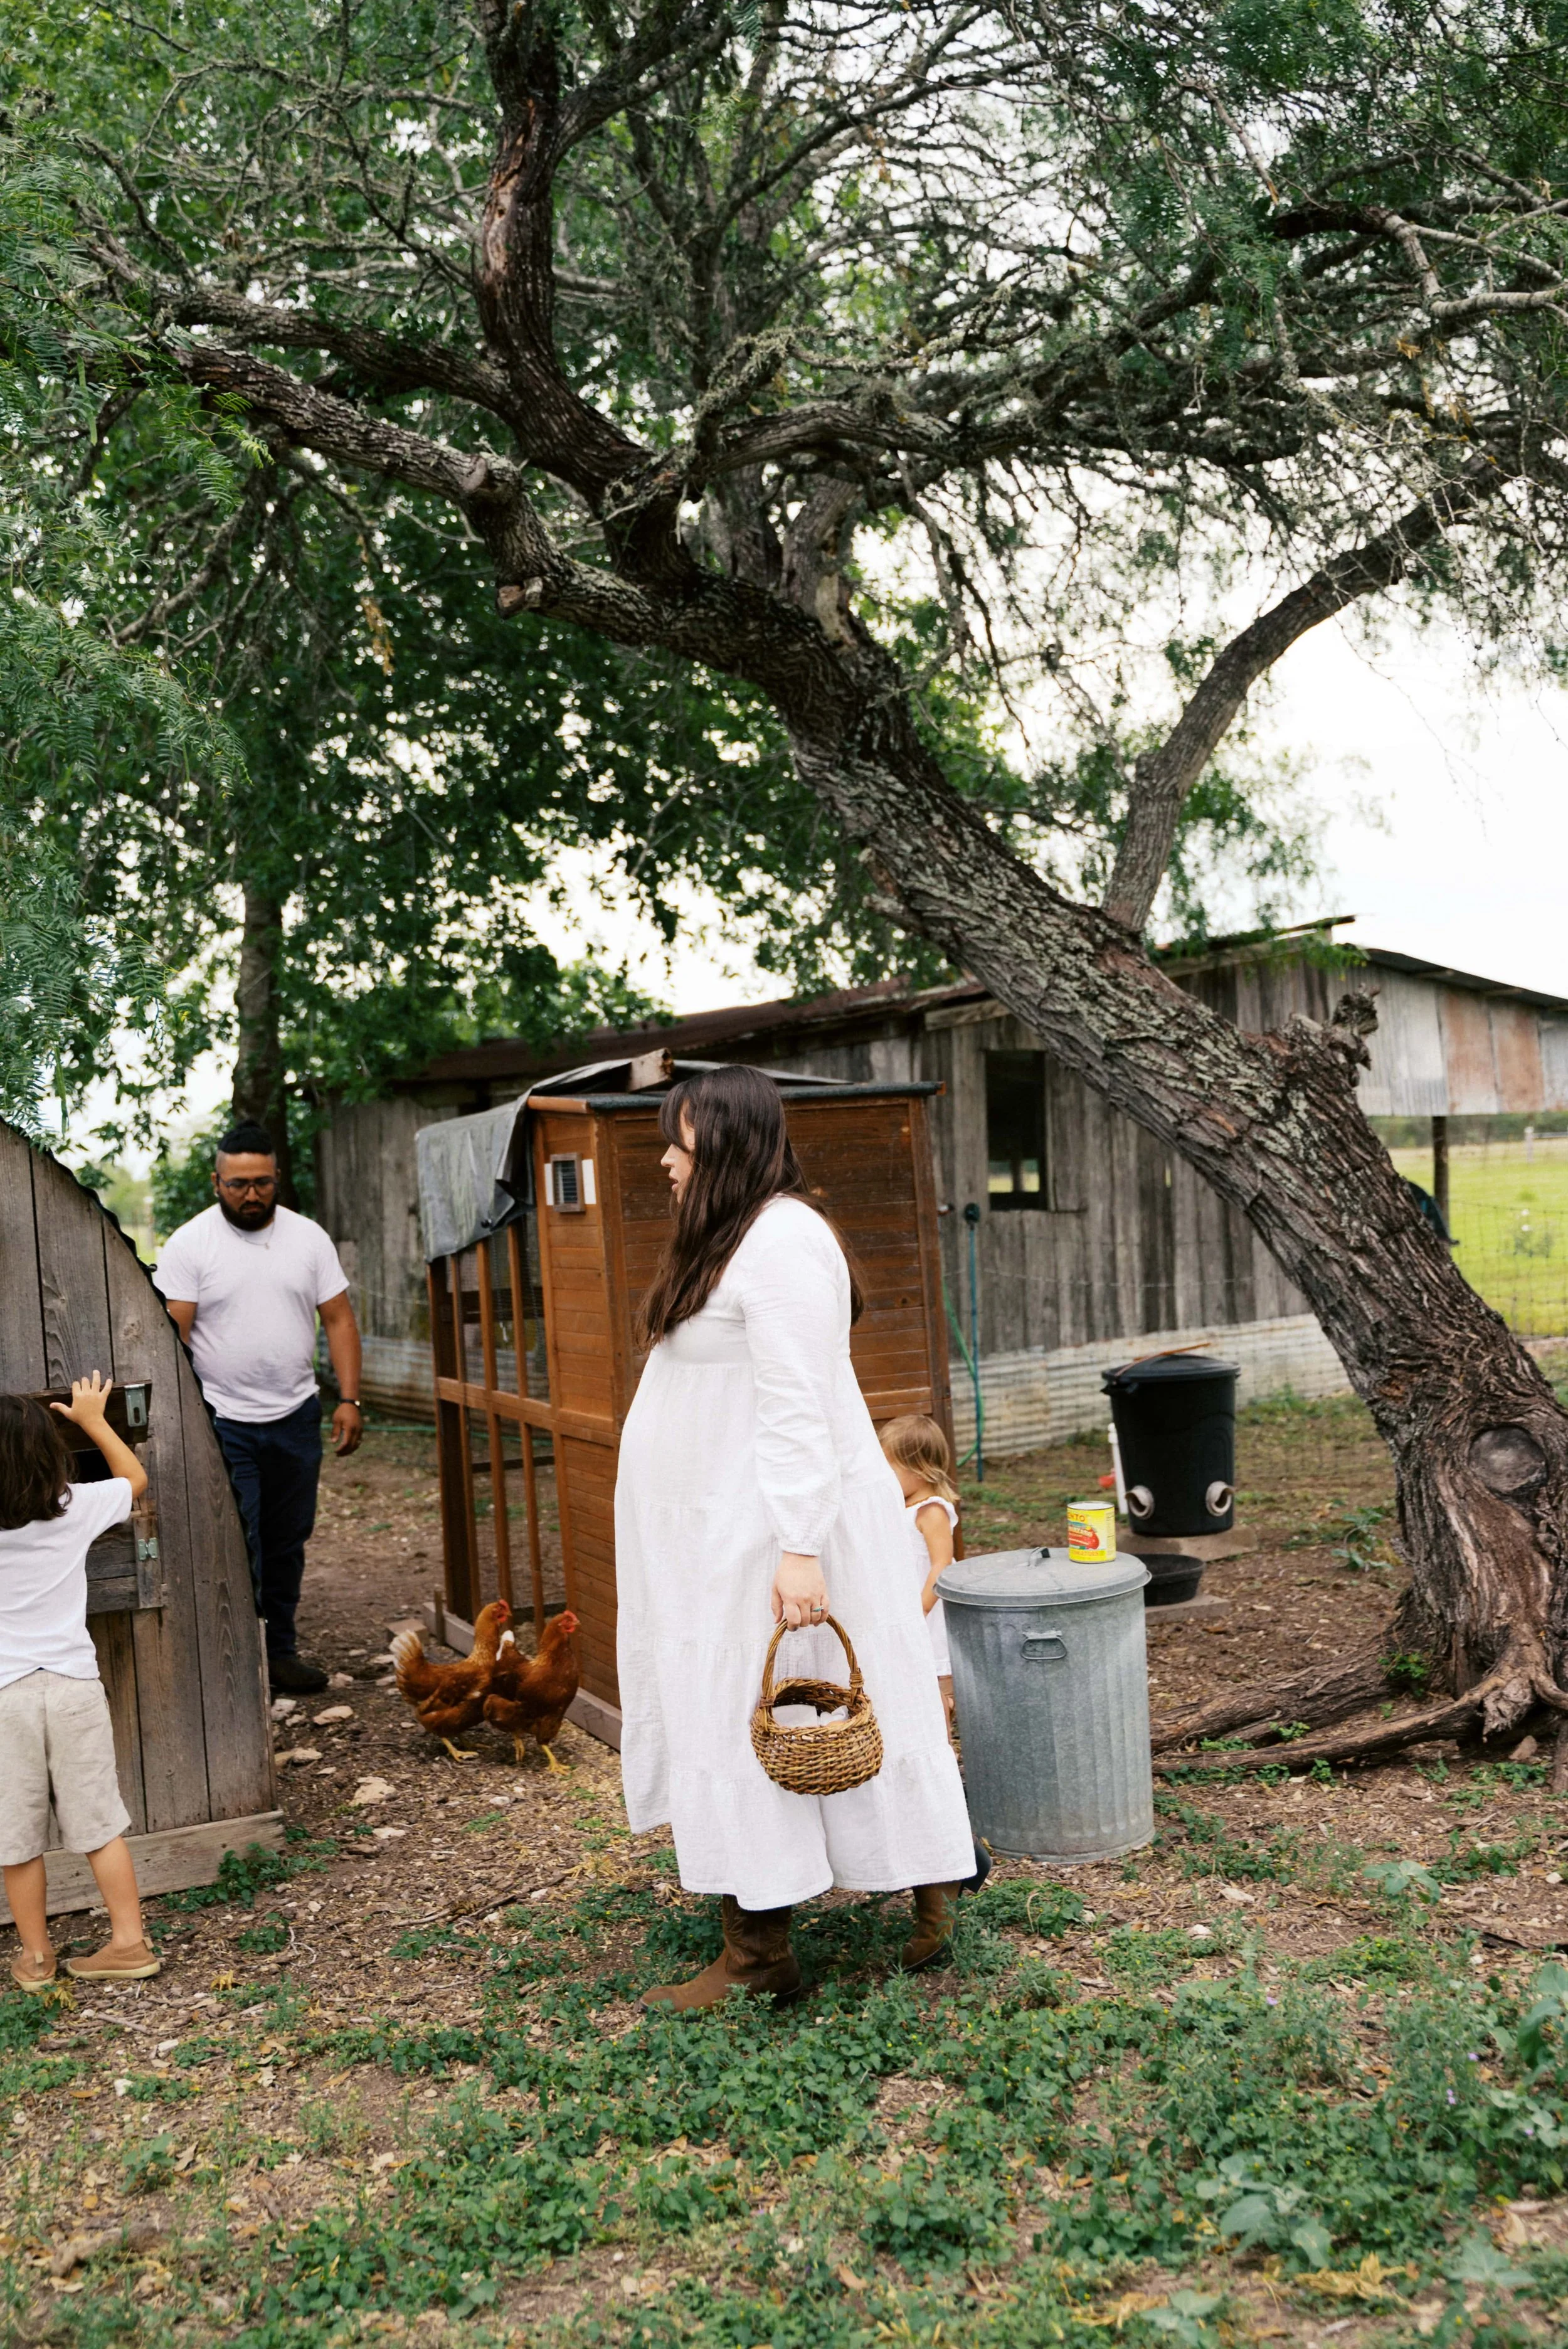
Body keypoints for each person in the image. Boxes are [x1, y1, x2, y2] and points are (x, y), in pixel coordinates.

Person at [614, 1065, 979, 2012]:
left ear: (726, 1148)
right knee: (777, 1712)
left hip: (770, 1527)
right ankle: (918, 1879)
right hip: (723, 1527)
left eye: (679, 1144)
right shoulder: (735, 1239)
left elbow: (796, 1409)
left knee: (774, 1714)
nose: (664, 1160)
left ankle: (759, 1957)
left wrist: (799, 1545)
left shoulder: (782, 1243)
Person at [154, 1120, 363, 1694]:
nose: (252, 1194)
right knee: (236, 1537)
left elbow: (340, 1319)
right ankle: (236, 1658)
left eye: (263, 1182)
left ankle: (280, 1653)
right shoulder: (191, 1244)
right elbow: (175, 1336)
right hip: (223, 1419)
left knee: (288, 1537)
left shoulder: (308, 1239)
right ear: (217, 1181)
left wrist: (349, 1398)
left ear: (277, 1179)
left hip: (296, 1414)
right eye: (239, 1183)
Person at [1, 1376, 161, 1987]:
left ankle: (37, 1958)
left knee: (15, 1835)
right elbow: (134, 1479)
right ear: (49, 1456)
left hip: (5, 1695)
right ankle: (128, 1941)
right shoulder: (73, 1509)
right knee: (99, 1823)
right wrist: (94, 1419)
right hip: (72, 1685)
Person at [880, 1414, 960, 1732]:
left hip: (927, 1612)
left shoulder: (931, 1511)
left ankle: (941, 1751)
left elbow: (942, 1564)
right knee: (910, 1679)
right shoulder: (899, 1508)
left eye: (889, 1469)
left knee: (933, 1686)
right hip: (903, 1611)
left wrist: (920, 1609)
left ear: (919, 1469)